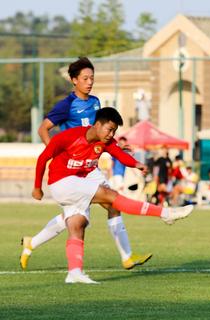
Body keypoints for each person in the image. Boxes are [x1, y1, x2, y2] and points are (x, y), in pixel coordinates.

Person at [32, 107, 194, 284]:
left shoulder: (105, 141)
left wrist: (136, 163)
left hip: (76, 184)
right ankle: (166, 214)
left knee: (78, 224)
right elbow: (43, 159)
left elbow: (120, 155)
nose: (111, 134)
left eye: (114, 131)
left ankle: (74, 273)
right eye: (109, 129)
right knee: (110, 196)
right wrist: (37, 188)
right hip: (61, 182)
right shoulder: (68, 136)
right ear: (97, 124)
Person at [21, 57, 151, 271]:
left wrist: (117, 146)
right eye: (85, 78)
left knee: (108, 206)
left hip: (90, 167)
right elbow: (43, 128)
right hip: (72, 172)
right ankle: (32, 243)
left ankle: (127, 257)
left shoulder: (96, 102)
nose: (89, 82)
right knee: (75, 219)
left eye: (92, 78)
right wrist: (56, 154)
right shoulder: (66, 105)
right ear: (74, 80)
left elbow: (101, 132)